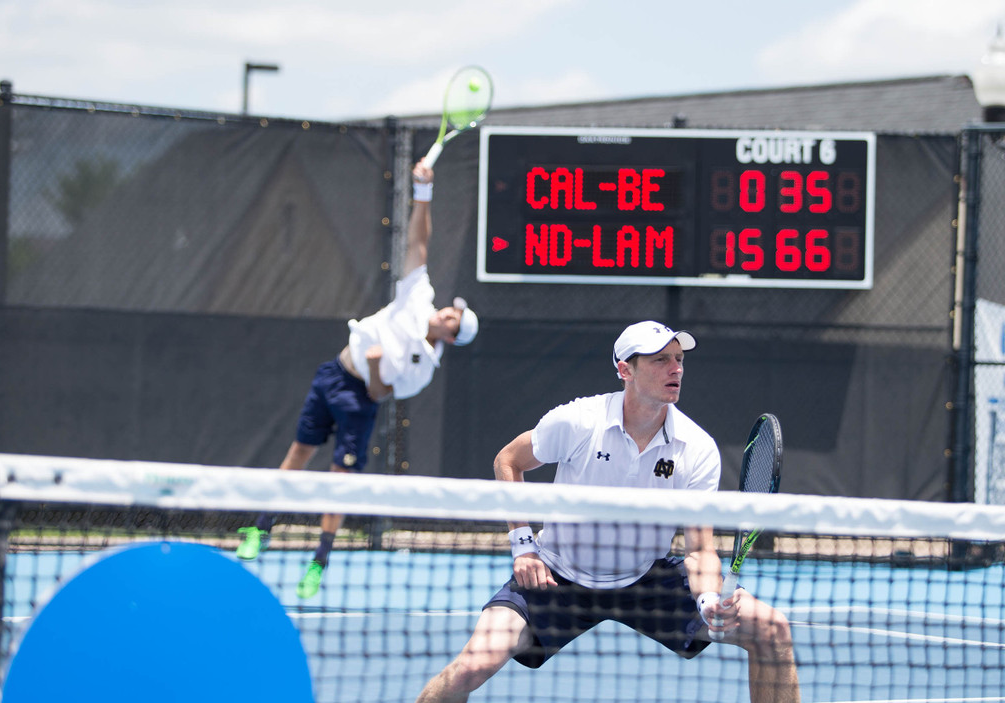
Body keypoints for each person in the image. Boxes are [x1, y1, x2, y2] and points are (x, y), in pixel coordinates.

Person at [416, 321, 799, 703]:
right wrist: (523, 546)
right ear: (625, 369)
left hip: (646, 578)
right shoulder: (578, 421)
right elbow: (508, 460)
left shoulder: (696, 448)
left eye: (679, 359)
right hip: (558, 576)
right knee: (471, 667)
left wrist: (708, 600)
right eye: (661, 360)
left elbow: (699, 549)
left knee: (772, 629)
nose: (676, 369)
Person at [235, 159, 479, 599]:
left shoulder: (422, 369)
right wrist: (423, 192)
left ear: (450, 337)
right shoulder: (418, 295)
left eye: (453, 320)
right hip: (332, 374)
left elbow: (379, 393)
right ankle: (261, 528)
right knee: (297, 455)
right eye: (451, 310)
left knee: (339, 480)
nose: (447, 313)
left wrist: (375, 367)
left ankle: (319, 560)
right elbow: (419, 243)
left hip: (359, 402)